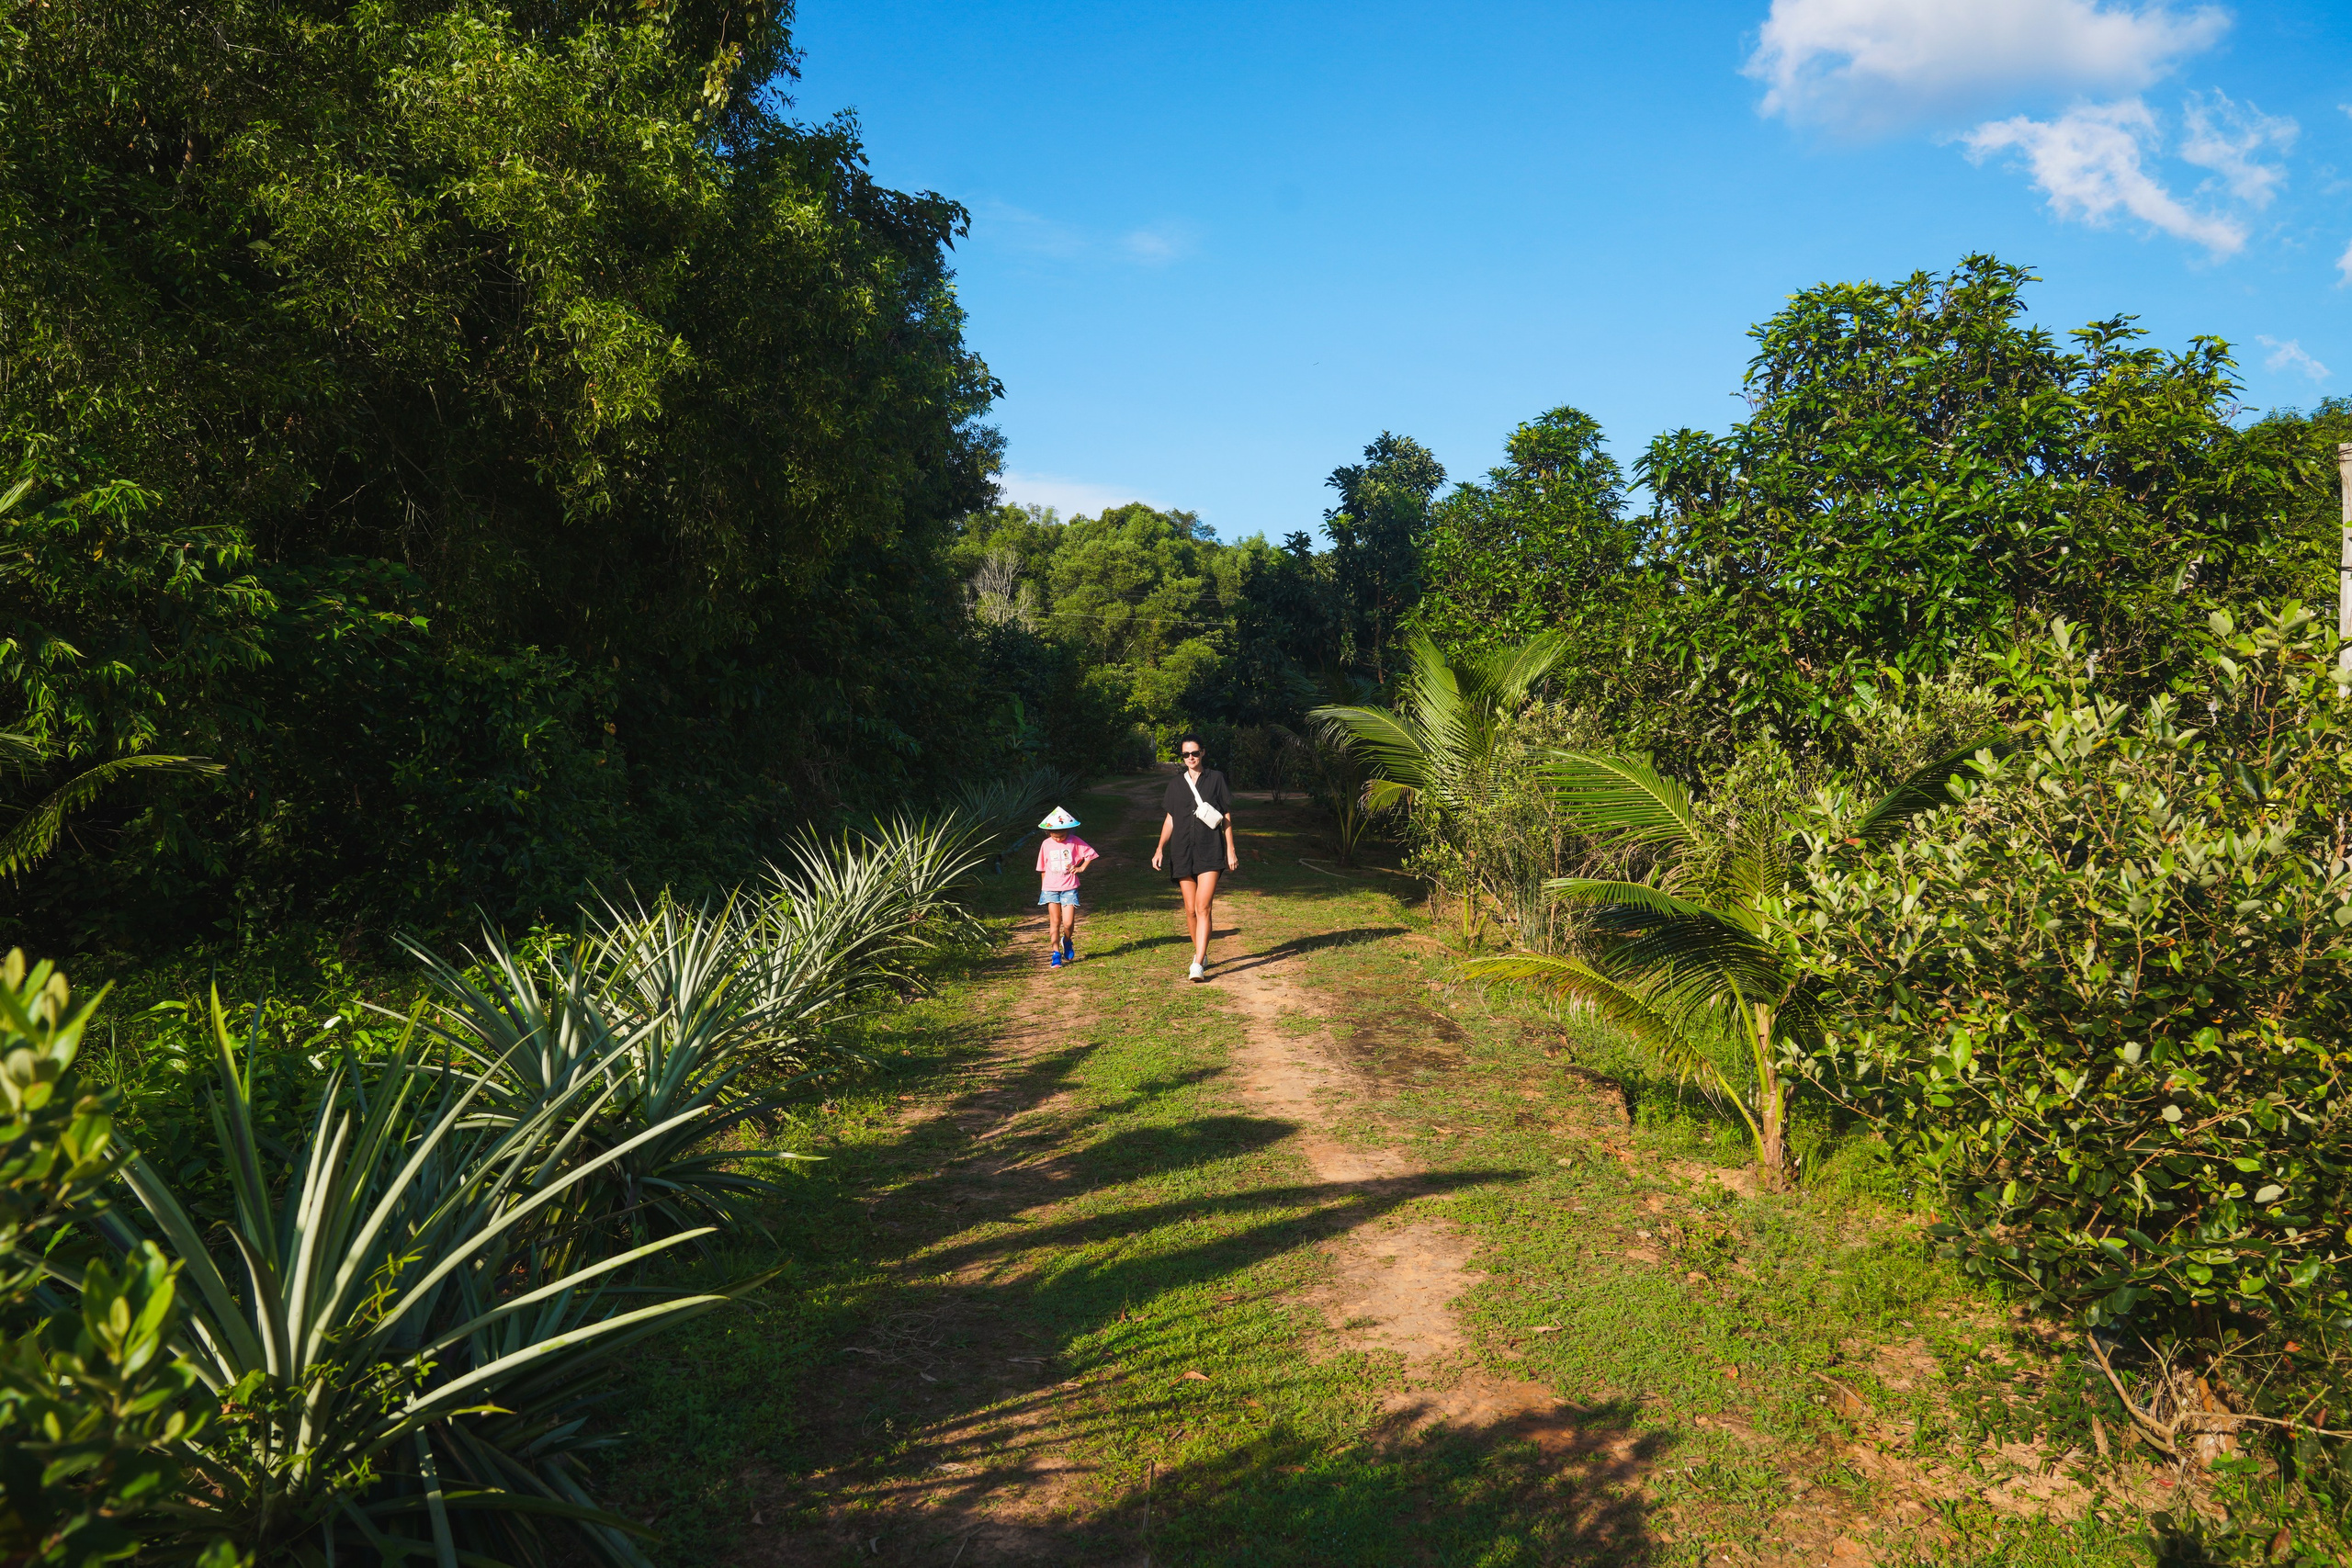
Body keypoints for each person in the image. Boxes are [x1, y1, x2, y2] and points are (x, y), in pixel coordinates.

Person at [1150, 736, 1238, 981]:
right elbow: (1170, 818)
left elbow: (1226, 815)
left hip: (1210, 850)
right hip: (1181, 851)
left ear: (1203, 753)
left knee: (1203, 907)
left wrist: (1230, 849)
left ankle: (1197, 962)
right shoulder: (1176, 785)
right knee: (1190, 910)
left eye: (1195, 753)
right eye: (1186, 754)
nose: (1191, 758)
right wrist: (1159, 848)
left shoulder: (1216, 779)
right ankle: (1200, 951)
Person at [1035, 806, 1099, 967]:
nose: (1058, 839)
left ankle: (1067, 940)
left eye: (1062, 835)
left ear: (1068, 831)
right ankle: (1055, 953)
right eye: (1055, 836)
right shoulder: (1046, 844)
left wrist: (1081, 868)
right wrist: (1044, 889)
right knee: (1055, 921)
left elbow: (1090, 854)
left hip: (1069, 887)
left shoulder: (1075, 842)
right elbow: (1042, 868)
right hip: (1050, 889)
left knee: (1069, 923)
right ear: (1049, 833)